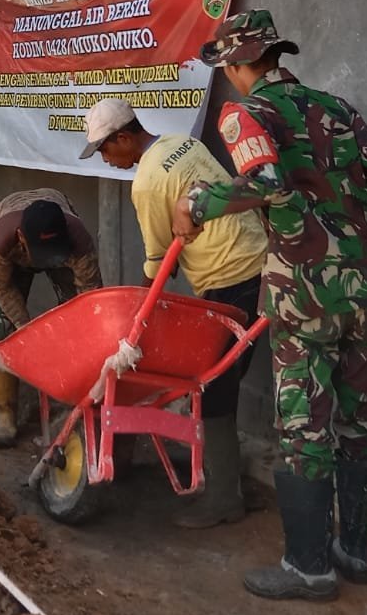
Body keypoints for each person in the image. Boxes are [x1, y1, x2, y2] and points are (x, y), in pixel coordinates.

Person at [175, 10, 367, 601]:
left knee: (305, 425)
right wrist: (344, 221)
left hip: (306, 292)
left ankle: (308, 567)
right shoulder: (337, 108)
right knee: (360, 418)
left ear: (237, 63)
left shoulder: (244, 113)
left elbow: (266, 181)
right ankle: (352, 549)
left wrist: (198, 204)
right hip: (365, 284)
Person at [80, 96, 270, 528]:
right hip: (258, 263)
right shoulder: (183, 144)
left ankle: (223, 499)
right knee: (225, 381)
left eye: (105, 150)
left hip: (229, 276)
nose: (106, 160)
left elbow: (156, 260)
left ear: (125, 138)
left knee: (215, 390)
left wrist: (136, 321)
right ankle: (228, 484)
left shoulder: (146, 183)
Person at [0, 191, 103, 447]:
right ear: (21, 238)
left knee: (81, 324)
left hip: (64, 247)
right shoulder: (1, 240)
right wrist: (26, 331)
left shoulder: (78, 240)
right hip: (14, 255)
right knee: (0, 324)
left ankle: (73, 402)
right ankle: (5, 416)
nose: (47, 260)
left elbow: (90, 297)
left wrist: (76, 332)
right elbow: (2, 289)